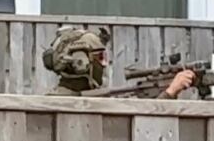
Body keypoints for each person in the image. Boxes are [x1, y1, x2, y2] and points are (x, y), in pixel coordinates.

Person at [42, 25, 194, 98]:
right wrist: (170, 92)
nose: (104, 64)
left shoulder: (79, 97)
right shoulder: (65, 102)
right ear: (80, 63)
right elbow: (144, 127)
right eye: (100, 58)